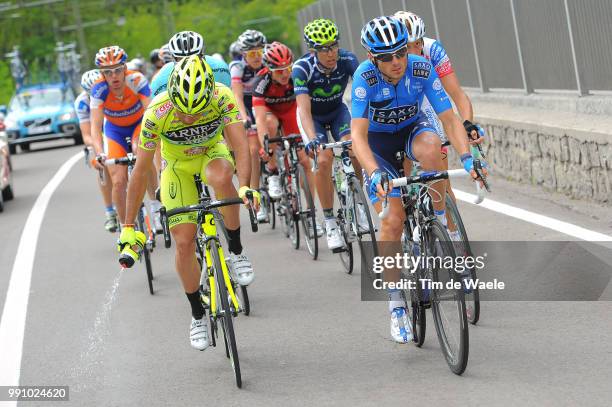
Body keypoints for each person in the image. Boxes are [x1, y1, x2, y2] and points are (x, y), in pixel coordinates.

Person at [351, 16, 480, 343]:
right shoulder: (364, 78)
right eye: (386, 57)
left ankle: (440, 219)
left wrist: (469, 157)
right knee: (393, 221)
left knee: (434, 148)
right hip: (378, 148)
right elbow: (358, 138)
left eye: (400, 53)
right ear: (372, 57)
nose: (396, 62)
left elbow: (449, 119)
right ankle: (396, 305)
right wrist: (374, 171)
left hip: (412, 132)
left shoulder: (421, 67)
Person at [117, 56, 259, 350]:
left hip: (211, 152)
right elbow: (141, 171)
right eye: (184, 112)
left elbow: (241, 147)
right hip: (177, 166)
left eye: (198, 112)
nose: (190, 118)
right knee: (183, 242)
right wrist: (128, 226)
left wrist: (246, 186)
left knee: (222, 176)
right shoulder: (157, 111)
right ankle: (196, 315)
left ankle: (236, 249)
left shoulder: (222, 96)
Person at [394, 10, 485, 239]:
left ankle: (453, 237)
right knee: (401, 163)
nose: (414, 51)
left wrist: (466, 125)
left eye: (418, 44)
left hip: (426, 100)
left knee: (441, 175)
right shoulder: (390, 59)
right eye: (407, 46)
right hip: (400, 106)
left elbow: (457, 94)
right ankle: (406, 219)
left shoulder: (433, 50)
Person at [294, 18, 364, 251]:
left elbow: (363, 93)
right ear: (313, 50)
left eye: (334, 45)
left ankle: (358, 203)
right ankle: (330, 221)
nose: (331, 52)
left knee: (355, 149)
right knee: (323, 159)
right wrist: (313, 138)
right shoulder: (302, 68)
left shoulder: (348, 60)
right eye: (324, 49)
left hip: (337, 112)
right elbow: (303, 110)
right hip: (313, 117)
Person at [89, 45, 162, 231]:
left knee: (141, 153)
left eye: (117, 70)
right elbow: (96, 128)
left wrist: (152, 135)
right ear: (102, 74)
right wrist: (99, 153)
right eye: (107, 72)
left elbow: (150, 111)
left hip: (139, 125)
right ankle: (126, 228)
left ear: (125, 68)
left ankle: (155, 206)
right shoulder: (98, 89)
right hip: (115, 131)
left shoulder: (136, 79)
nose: (113, 76)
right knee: (119, 180)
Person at [252, 41, 318, 232]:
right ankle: (273, 171)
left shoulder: (296, 76)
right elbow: (260, 118)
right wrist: (265, 147)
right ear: (269, 69)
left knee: (305, 162)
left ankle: (310, 212)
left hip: (291, 112)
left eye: (287, 68)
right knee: (270, 124)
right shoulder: (262, 83)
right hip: (271, 114)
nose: (285, 74)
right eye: (279, 70)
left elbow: (305, 108)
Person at [229, 29, 268, 219]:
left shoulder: (268, 64)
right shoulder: (238, 67)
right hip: (246, 106)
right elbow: (236, 96)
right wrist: (244, 118)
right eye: (251, 53)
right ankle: (255, 193)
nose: (256, 57)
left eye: (259, 52)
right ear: (244, 54)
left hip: (265, 104)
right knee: (253, 150)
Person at [76, 69, 116, 232]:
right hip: (96, 134)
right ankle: (110, 212)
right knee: (102, 166)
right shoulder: (82, 102)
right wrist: (99, 148)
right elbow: (86, 135)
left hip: (113, 130)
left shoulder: (108, 93)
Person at [150, 31, 231, 97]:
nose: (189, 64)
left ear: (203, 55)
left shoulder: (220, 69)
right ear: (173, 59)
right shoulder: (160, 81)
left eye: (194, 58)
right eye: (181, 59)